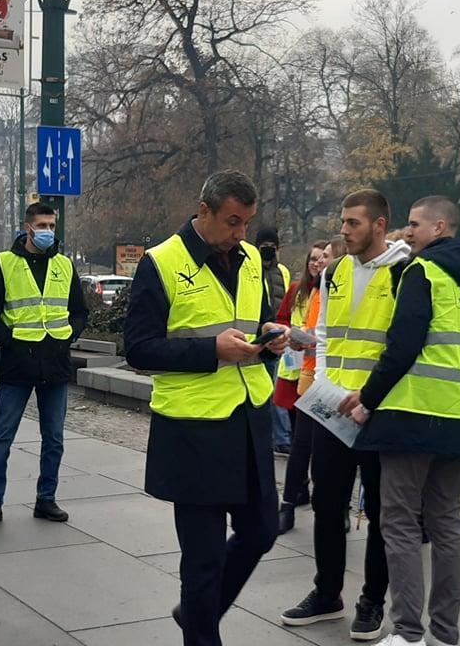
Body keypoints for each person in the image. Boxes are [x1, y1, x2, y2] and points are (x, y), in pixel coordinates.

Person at [124, 170, 290, 646]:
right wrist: (211, 351)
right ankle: (201, 631)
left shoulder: (253, 259)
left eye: (247, 223)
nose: (241, 234)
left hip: (249, 416)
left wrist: (270, 339)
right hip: (193, 427)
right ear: (204, 212)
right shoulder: (161, 261)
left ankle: (199, 612)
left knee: (261, 531)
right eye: (233, 222)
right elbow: (138, 349)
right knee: (203, 559)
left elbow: (254, 320)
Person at [344, 195, 460, 646]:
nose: (407, 232)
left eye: (415, 224)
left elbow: (402, 345)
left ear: (440, 228)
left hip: (415, 413)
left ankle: (409, 633)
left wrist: (369, 400)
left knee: (398, 523)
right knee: (446, 523)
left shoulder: (422, 272)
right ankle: (446, 633)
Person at [280, 190, 409, 642]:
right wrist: (326, 386)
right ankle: (326, 592)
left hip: (378, 408)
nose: (344, 230)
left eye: (353, 223)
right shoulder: (335, 270)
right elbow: (327, 333)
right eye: (343, 222)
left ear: (379, 224)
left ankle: (372, 599)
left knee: (378, 510)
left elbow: (403, 345)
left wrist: (368, 397)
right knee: (326, 502)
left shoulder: (404, 271)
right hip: (334, 407)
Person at [0, 202, 89, 529]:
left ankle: (46, 499)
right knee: (2, 437)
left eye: (52, 226)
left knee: (54, 438)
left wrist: (67, 338)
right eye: (42, 226)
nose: (47, 232)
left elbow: (80, 312)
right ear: (27, 227)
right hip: (17, 364)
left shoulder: (64, 266)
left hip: (54, 363)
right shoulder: (5, 264)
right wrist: (8, 342)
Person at [276, 240, 328, 534]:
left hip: (327, 377)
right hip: (299, 370)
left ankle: (333, 505)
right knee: (299, 442)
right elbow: (285, 318)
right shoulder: (299, 289)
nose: (318, 263)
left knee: (322, 450)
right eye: (315, 258)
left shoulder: (334, 289)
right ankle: (292, 499)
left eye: (324, 258)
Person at [257, 225, 294, 454]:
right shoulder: (250, 270)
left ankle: (281, 437)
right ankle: (274, 436)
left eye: (272, 247)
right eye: (264, 247)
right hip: (260, 335)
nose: (268, 251)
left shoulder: (284, 272)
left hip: (279, 336)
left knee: (276, 389)